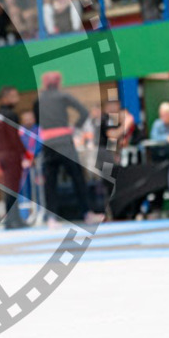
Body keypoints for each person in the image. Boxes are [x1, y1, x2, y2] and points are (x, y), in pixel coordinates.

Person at [32, 72, 102, 228]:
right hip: (65, 143)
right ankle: (87, 213)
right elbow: (84, 112)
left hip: (48, 144)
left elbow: (37, 121)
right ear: (58, 82)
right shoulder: (64, 97)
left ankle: (52, 218)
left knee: (50, 181)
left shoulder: (39, 100)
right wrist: (74, 128)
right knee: (78, 178)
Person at [0, 86, 27, 228]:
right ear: (5, 98)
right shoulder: (11, 115)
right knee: (13, 188)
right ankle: (13, 219)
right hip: (12, 156)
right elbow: (14, 138)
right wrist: (24, 153)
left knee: (9, 188)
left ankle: (12, 218)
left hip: (2, 156)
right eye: (14, 96)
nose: (16, 99)